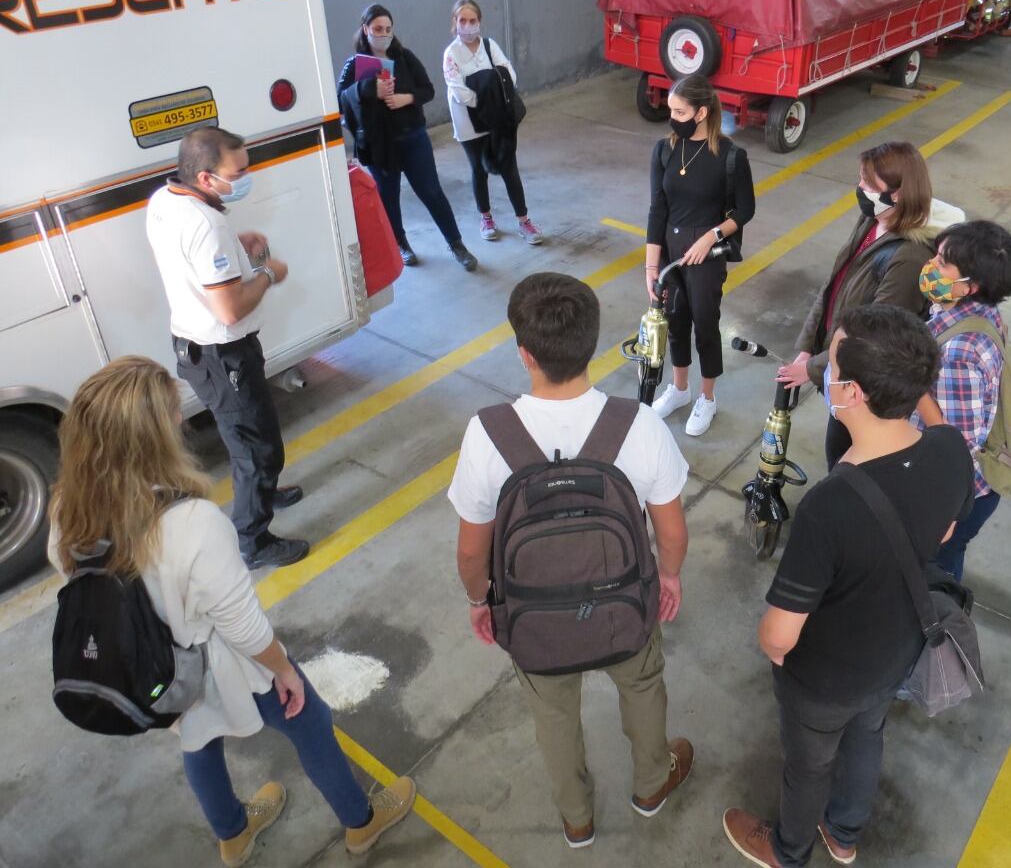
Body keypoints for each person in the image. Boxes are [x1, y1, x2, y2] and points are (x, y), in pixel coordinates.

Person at [48, 357, 415, 867]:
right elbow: (242, 626)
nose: (181, 421)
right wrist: (283, 668)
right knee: (308, 720)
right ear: (151, 437)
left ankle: (234, 834)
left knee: (198, 739)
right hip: (222, 662)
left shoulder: (67, 509)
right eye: (173, 414)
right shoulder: (191, 521)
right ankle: (361, 821)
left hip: (156, 667)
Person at [447, 273, 694, 849]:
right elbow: (673, 533)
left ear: (523, 353)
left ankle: (577, 817)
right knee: (642, 687)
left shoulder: (487, 433)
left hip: (535, 620)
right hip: (625, 605)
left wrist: (479, 600)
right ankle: (652, 784)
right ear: (593, 344)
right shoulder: (639, 424)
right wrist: (670, 576)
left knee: (553, 716)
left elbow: (469, 550)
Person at [723, 304, 975, 868]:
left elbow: (780, 637)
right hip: (898, 650)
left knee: (809, 763)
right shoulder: (950, 450)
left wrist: (773, 650)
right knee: (868, 734)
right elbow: (951, 524)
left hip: (824, 677)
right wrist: (915, 388)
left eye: (830, 367)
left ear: (852, 393)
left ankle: (788, 850)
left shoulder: (830, 505)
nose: (823, 373)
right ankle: (845, 833)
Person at [145, 127, 308, 570]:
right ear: (204, 177)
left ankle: (263, 489)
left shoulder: (165, 200)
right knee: (257, 449)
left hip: (196, 349)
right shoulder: (206, 223)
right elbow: (230, 308)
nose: (244, 178)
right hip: (223, 354)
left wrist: (236, 248)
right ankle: (253, 541)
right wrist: (268, 274)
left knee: (246, 440)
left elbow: (190, 258)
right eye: (237, 172)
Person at [777, 140, 963, 469]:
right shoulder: (874, 220)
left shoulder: (909, 256)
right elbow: (835, 281)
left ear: (898, 194)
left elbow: (875, 340)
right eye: (861, 179)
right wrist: (808, 346)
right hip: (839, 366)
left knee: (846, 457)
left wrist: (811, 369)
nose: (859, 189)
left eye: (869, 184)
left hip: (863, 386)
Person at [645, 74, 756, 437]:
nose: (671, 116)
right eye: (671, 108)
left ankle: (707, 397)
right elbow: (656, 209)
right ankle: (679, 389)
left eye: (679, 110)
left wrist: (711, 236)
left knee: (705, 324)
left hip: (705, 253)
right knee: (674, 321)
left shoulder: (730, 156)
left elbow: (744, 210)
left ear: (702, 111)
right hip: (670, 249)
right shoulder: (663, 150)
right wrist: (651, 265)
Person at [915, 220, 1011, 580]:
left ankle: (941, 623)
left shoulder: (960, 350)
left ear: (970, 286)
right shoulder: (977, 313)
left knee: (934, 570)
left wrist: (909, 382)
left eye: (943, 263)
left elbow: (954, 442)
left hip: (952, 493)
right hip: (961, 486)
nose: (931, 266)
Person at [338, 3, 476, 270]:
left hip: (413, 139)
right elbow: (340, 101)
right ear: (366, 29)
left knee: (431, 191)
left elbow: (428, 90)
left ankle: (456, 244)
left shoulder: (405, 57)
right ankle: (401, 243)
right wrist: (368, 88)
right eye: (378, 29)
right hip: (380, 145)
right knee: (388, 197)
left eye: (388, 29)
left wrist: (407, 98)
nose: (383, 34)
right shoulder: (354, 65)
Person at [443, 0, 543, 246]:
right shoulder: (451, 54)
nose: (467, 26)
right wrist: (488, 94)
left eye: (472, 20)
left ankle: (524, 220)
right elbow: (458, 90)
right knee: (478, 169)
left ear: (480, 22)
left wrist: (486, 89)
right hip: (468, 122)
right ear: (455, 23)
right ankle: (486, 217)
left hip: (498, 120)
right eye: (462, 21)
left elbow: (508, 75)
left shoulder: (490, 46)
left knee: (509, 168)